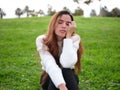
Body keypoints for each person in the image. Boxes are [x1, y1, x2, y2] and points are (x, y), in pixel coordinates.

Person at [36, 10, 83, 90]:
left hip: (69, 75)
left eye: (68, 24)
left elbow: (66, 64)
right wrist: (62, 86)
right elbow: (50, 64)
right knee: (55, 75)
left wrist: (68, 37)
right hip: (48, 76)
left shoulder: (74, 39)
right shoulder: (42, 40)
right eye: (60, 22)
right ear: (53, 24)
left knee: (65, 70)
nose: (64, 26)